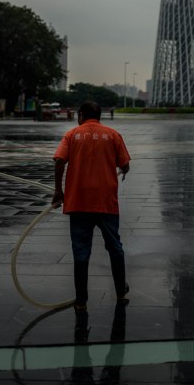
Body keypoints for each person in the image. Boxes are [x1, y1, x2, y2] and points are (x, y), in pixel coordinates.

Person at [52, 100, 130, 310]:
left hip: (78, 202)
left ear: (80, 115)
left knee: (81, 251)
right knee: (115, 247)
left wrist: (58, 191)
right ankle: (121, 292)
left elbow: (59, 161)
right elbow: (125, 164)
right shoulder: (113, 135)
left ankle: (81, 301)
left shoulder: (72, 135)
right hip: (106, 204)